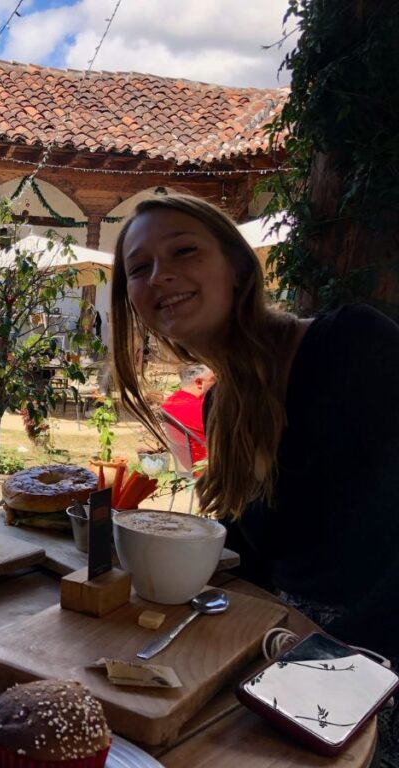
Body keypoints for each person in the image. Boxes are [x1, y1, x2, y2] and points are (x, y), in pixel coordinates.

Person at [109, 192, 399, 762]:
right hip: (281, 645)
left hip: (374, 660)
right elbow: (251, 555)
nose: (160, 276)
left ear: (239, 269)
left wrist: (335, 660)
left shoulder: (353, 346)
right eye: (139, 269)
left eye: (184, 251)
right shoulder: (223, 404)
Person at [160, 363, 215, 465]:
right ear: (199, 383)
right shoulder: (201, 408)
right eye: (214, 380)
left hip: (189, 467)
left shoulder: (170, 402)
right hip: (210, 466)